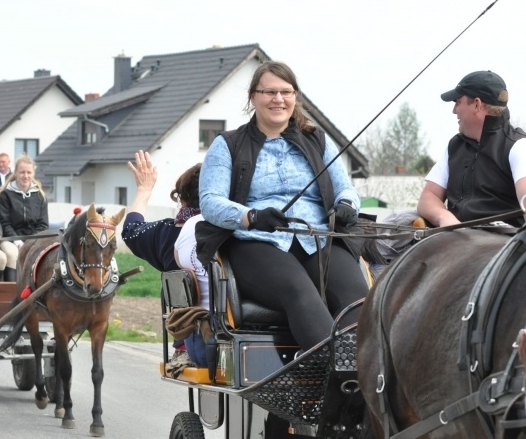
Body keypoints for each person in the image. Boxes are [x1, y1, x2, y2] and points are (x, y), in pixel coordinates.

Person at [197, 61, 368, 354]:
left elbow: (345, 188)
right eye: (269, 92)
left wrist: (347, 204)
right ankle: (335, 374)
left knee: (358, 298)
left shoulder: (318, 141)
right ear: (253, 97)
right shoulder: (228, 145)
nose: (278, 99)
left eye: (286, 92)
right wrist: (249, 216)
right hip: (257, 243)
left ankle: (363, 372)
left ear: (295, 96)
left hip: (319, 239)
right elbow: (210, 201)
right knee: (300, 293)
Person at [417, 70, 526, 228]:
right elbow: (428, 196)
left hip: (503, 247)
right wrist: (446, 219)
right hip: (453, 241)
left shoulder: (523, 148)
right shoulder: (455, 146)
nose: (454, 110)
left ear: (476, 104)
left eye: (457, 102)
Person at [121, 151, 202, 273]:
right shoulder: (231, 232)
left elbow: (130, 231)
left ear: (183, 198)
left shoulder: (165, 233)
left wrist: (144, 189)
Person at [0, 155, 49, 281]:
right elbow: (4, 222)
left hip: (35, 238)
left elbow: (43, 224)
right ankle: (12, 291)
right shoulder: (5, 195)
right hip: (11, 238)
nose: (26, 176)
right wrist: (17, 241)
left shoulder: (40, 196)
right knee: (12, 254)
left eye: (29, 172)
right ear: (16, 173)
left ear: (33, 173)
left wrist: (30, 241)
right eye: (22, 172)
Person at [173, 212, 210, 366]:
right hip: (217, 335)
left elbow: (179, 262)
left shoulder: (190, 223)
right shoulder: (238, 221)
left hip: (193, 337)